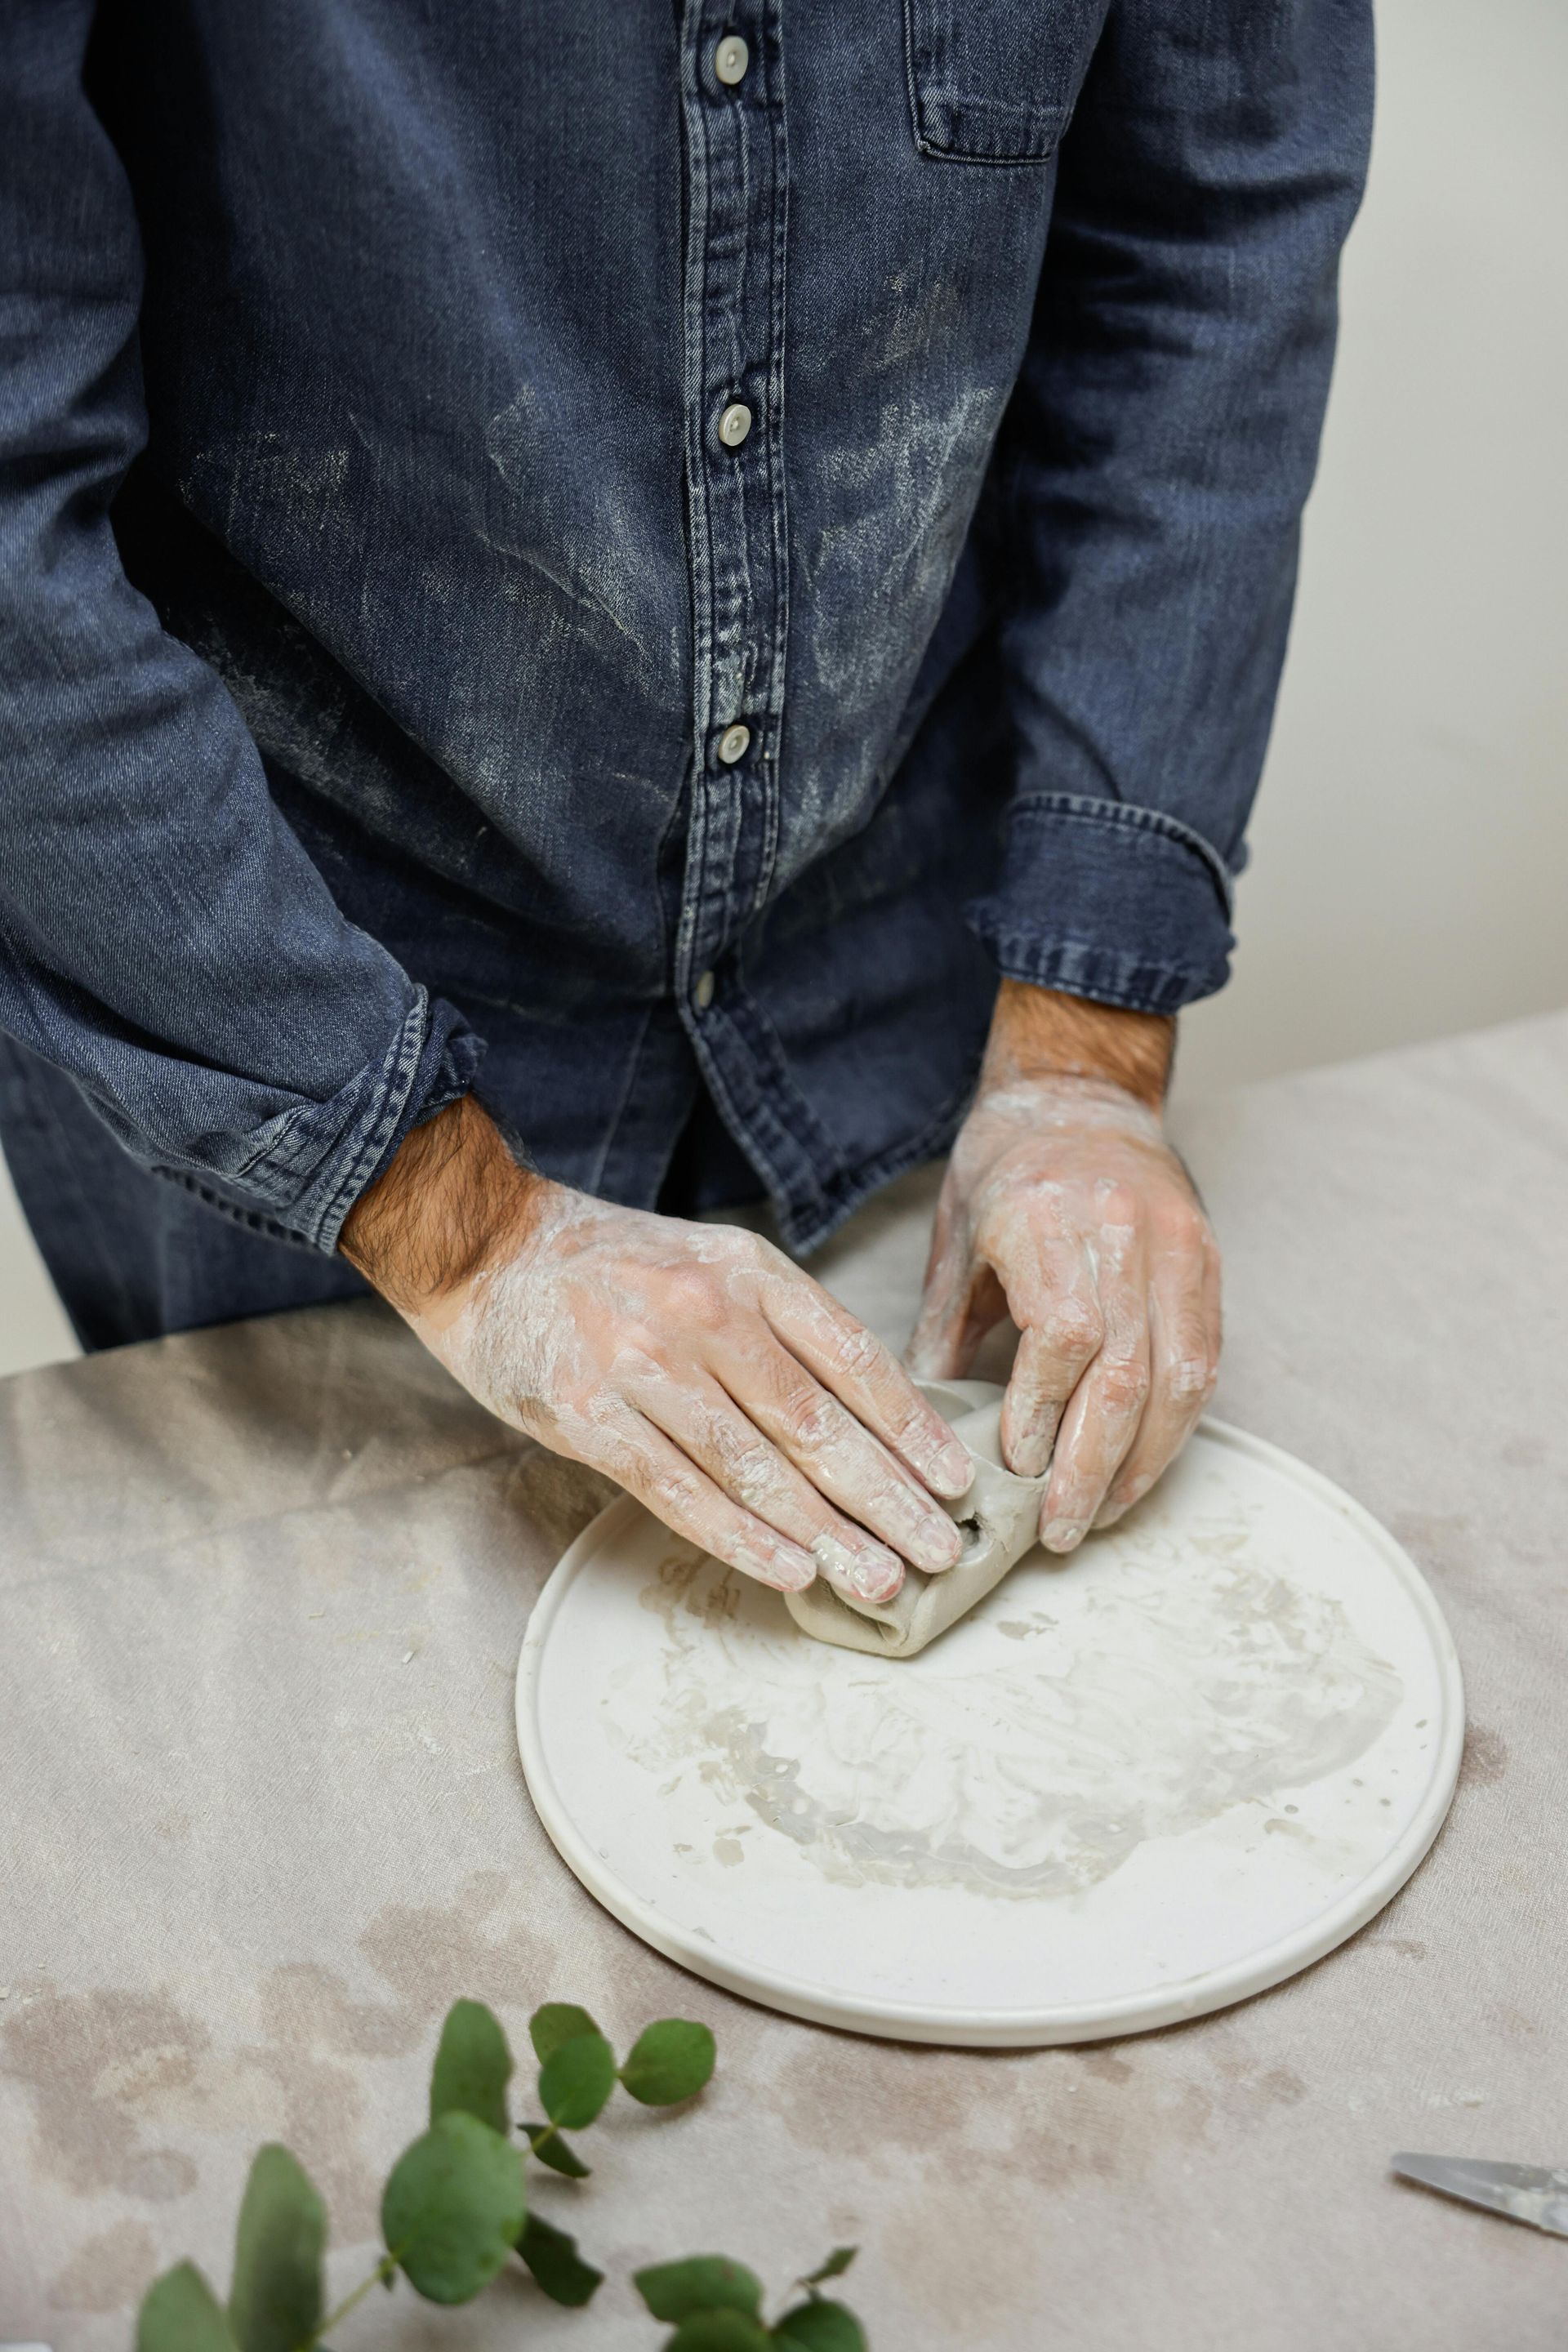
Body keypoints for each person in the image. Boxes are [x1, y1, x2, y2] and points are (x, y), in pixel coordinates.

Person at [0, 1, 1371, 1613]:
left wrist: (1082, 1055)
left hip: (907, 936)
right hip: (276, 974)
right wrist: (459, 1229)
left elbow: (1207, 246)